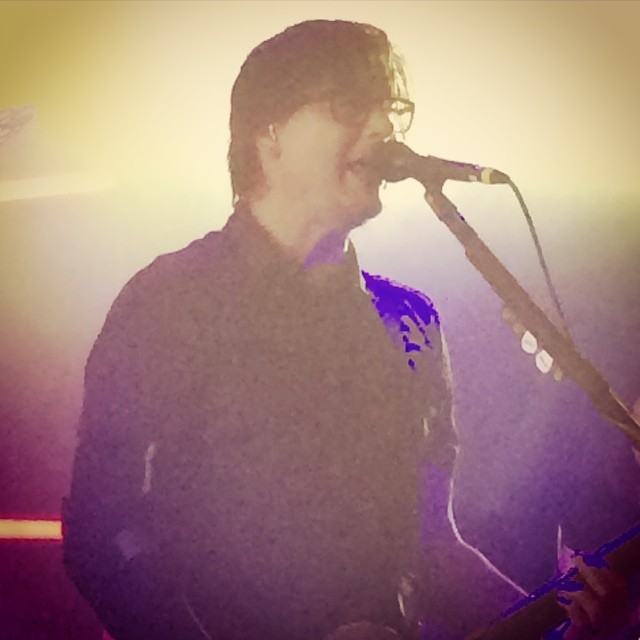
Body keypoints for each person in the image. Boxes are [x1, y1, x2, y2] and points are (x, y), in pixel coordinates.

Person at [62, 19, 632, 640]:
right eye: (351, 105)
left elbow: (432, 547)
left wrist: (562, 621)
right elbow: (101, 537)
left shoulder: (409, 321)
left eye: (391, 108)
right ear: (270, 131)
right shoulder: (171, 301)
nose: (384, 127)